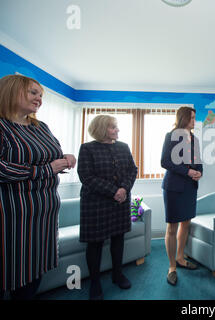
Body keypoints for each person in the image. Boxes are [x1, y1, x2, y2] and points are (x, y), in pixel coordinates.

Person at [0, 75, 76, 300]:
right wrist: (43, 171)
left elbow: (51, 158)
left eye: (41, 95)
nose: (39, 99)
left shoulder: (41, 127)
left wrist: (65, 159)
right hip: (10, 217)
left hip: (43, 217)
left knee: (33, 273)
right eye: (33, 93)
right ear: (11, 91)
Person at [77, 115, 137, 300]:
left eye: (116, 127)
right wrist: (114, 191)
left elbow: (132, 170)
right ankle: (95, 283)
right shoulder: (87, 148)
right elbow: (86, 176)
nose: (117, 130)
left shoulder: (123, 146)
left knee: (118, 239)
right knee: (95, 244)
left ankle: (117, 274)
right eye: (113, 127)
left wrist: (124, 189)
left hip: (120, 201)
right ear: (102, 129)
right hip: (96, 204)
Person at [161, 106, 203, 286]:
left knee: (186, 223)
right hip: (173, 187)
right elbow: (165, 161)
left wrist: (199, 172)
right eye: (192, 118)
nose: (194, 121)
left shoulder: (195, 139)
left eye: (195, 118)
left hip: (190, 187)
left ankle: (180, 257)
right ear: (183, 118)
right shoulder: (171, 136)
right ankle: (172, 267)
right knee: (172, 227)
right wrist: (188, 172)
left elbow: (199, 162)